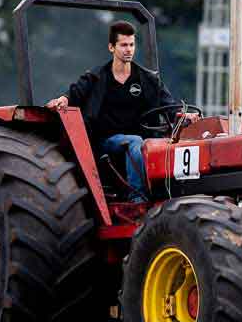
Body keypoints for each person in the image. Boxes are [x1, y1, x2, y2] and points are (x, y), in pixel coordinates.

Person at [46, 21, 196, 203]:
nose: (129, 50)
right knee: (135, 142)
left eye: (132, 45)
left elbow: (169, 103)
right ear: (112, 47)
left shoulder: (147, 79)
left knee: (161, 144)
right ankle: (137, 199)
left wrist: (184, 115)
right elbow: (76, 92)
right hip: (106, 141)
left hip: (143, 140)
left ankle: (174, 196)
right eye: (123, 45)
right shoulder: (97, 77)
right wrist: (63, 99)